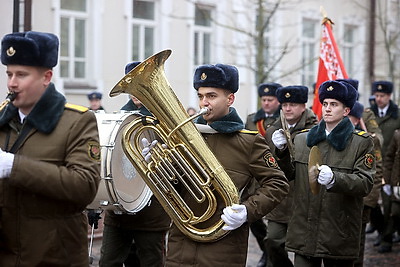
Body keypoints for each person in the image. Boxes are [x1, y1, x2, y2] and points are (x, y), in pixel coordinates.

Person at [146, 63, 289, 266]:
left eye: (211, 96)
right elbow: (175, 188)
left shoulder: (249, 141)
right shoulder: (185, 137)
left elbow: (278, 184)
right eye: (200, 96)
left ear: (230, 99)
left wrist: (247, 211)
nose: (204, 103)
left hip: (223, 247)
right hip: (181, 245)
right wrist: (157, 166)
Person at [0, 31, 101, 265]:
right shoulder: (3, 121)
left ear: (46, 77)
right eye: (9, 74)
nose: (12, 83)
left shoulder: (77, 122)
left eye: (21, 75)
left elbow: (84, 186)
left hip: (54, 258)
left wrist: (13, 166)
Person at [285, 80, 375, 267]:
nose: (327, 109)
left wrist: (336, 179)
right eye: (325, 103)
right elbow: (288, 175)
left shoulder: (361, 143)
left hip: (338, 232)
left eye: (334, 104)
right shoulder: (303, 139)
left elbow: (365, 183)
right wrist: (281, 152)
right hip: (305, 229)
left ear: (346, 111)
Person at [99, 62, 171, 267]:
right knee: (108, 262)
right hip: (120, 208)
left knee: (151, 262)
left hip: (152, 212)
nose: (133, 93)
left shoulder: (163, 119)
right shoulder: (119, 117)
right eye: (129, 86)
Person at [263, 85, 317, 267]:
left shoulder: (314, 131)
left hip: (305, 200)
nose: (287, 108)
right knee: (273, 241)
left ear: (303, 106)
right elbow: (265, 165)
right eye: (284, 104)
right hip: (280, 200)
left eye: (292, 104)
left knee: (305, 252)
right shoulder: (272, 131)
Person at [245, 82, 282, 267]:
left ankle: (273, 255)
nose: (266, 103)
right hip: (254, 178)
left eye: (270, 99)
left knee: (276, 223)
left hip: (275, 174)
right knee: (255, 220)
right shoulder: (252, 120)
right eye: (264, 99)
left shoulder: (283, 120)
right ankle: (265, 251)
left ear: (278, 101)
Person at [348, 101, 383, 267]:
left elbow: (376, 172)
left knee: (357, 243)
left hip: (362, 200)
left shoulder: (367, 140)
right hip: (339, 203)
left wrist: (369, 200)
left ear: (357, 119)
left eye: (350, 117)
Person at [369, 80, 400, 250]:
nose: (379, 99)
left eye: (382, 95)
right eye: (377, 95)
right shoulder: (368, 115)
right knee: (371, 203)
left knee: (389, 204)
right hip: (371, 164)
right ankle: (381, 230)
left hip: (389, 166)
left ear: (389, 96)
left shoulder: (397, 115)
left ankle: (387, 237)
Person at [380, 128, 400, 253]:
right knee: (394, 213)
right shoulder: (397, 135)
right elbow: (389, 158)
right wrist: (387, 180)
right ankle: (387, 240)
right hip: (396, 183)